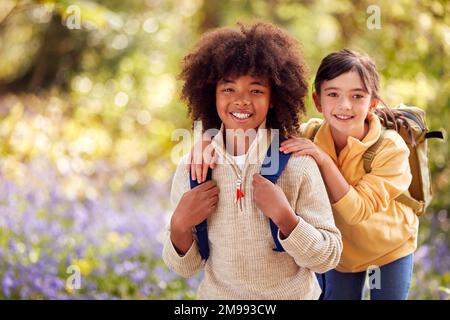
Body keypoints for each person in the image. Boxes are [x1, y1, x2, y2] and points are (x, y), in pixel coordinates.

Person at [163, 22, 342, 299]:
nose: (242, 101)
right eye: (228, 89)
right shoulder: (194, 167)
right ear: (212, 94)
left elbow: (328, 256)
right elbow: (184, 268)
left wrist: (286, 218)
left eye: (256, 90)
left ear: (274, 98)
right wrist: (179, 224)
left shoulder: (297, 164)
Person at [279, 49, 418, 300]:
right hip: (340, 254)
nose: (345, 105)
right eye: (333, 94)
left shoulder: (390, 148)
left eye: (357, 96)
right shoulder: (307, 135)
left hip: (389, 249)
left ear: (372, 103)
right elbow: (254, 139)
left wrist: (322, 159)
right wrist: (205, 141)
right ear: (318, 100)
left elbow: (357, 210)